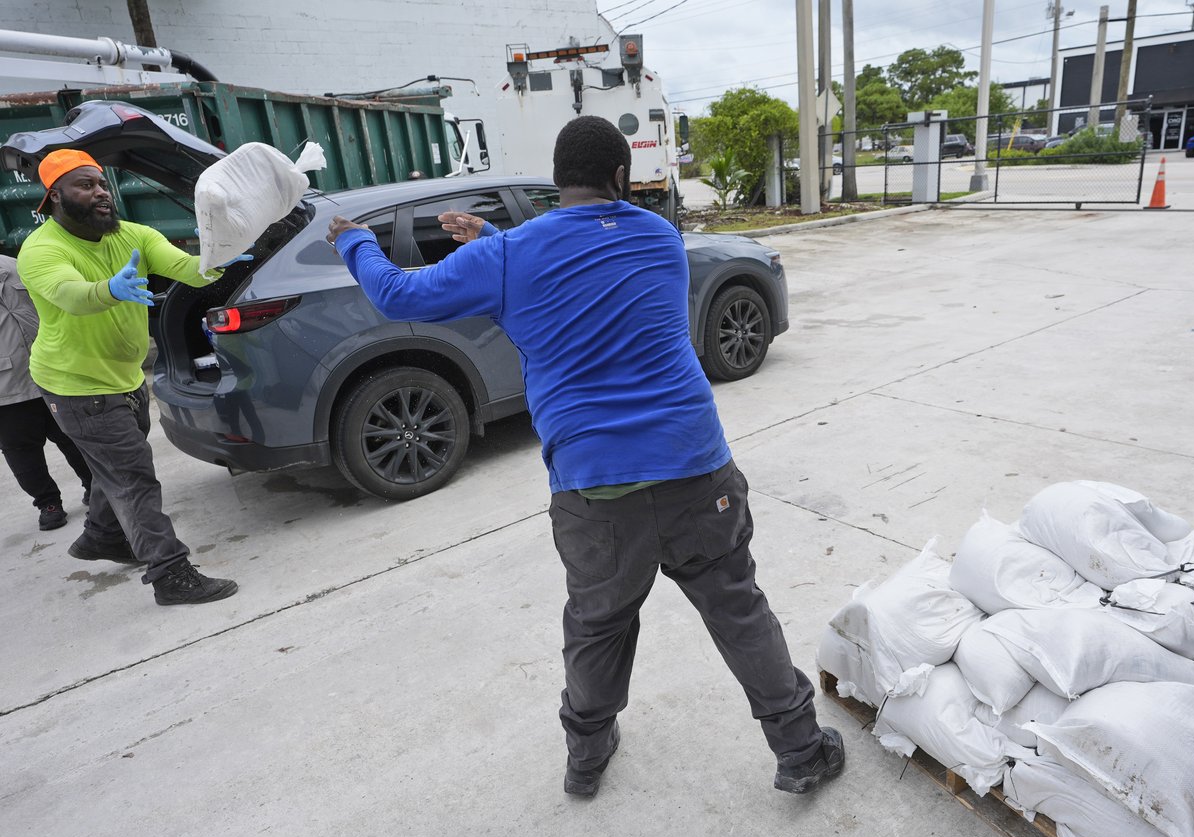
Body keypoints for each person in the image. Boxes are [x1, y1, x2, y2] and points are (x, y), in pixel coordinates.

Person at [327, 116, 844, 797]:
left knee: (597, 628)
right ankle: (800, 750)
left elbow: (399, 292)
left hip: (596, 491)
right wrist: (497, 245)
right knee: (738, 609)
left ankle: (586, 758)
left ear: (556, 180)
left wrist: (357, 241)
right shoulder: (660, 238)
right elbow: (590, 259)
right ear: (621, 177)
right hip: (696, 471)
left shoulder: (508, 259)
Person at [16, 149, 239, 605]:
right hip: (77, 385)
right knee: (133, 475)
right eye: (85, 185)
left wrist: (217, 258)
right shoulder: (40, 250)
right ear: (55, 195)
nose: (101, 192)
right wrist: (109, 290)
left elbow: (186, 269)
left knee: (115, 466)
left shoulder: (133, 235)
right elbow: (71, 294)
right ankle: (170, 574)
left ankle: (103, 536)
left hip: (124, 377)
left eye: (102, 183)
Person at [0, 254, 92, 530]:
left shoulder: (15, 265)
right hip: (7, 388)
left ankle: (95, 486)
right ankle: (48, 503)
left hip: (52, 372)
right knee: (22, 452)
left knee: (74, 436)